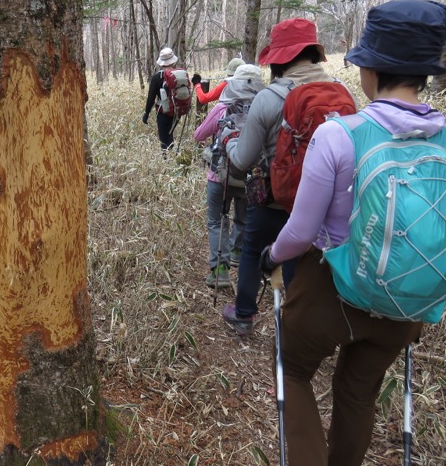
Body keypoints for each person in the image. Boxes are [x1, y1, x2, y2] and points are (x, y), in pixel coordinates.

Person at [259, 0, 446, 466]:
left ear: (371, 68)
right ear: (425, 72)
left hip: (332, 292)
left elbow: (301, 231)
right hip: (407, 305)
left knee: (291, 367)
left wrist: (271, 254)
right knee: (357, 391)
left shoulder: (341, 135)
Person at [220, 18, 343, 336]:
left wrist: (230, 140)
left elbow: (243, 159)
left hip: (275, 200)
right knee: (300, 262)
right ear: (314, 54)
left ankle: (244, 315)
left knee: (252, 247)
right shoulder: (340, 94)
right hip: (324, 209)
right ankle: (295, 328)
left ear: (278, 59)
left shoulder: (269, 98)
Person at [193, 64, 263, 289]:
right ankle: (236, 253)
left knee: (217, 221)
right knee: (243, 218)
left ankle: (220, 271)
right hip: (251, 177)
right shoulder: (265, 109)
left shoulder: (223, 108)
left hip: (219, 176)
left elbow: (198, 135)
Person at [141, 47, 187, 152]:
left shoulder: (157, 77)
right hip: (177, 110)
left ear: (161, 63)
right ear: (174, 61)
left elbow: (151, 98)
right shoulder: (180, 75)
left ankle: (166, 161)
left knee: (163, 138)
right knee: (170, 134)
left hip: (163, 112)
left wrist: (146, 113)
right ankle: (172, 158)